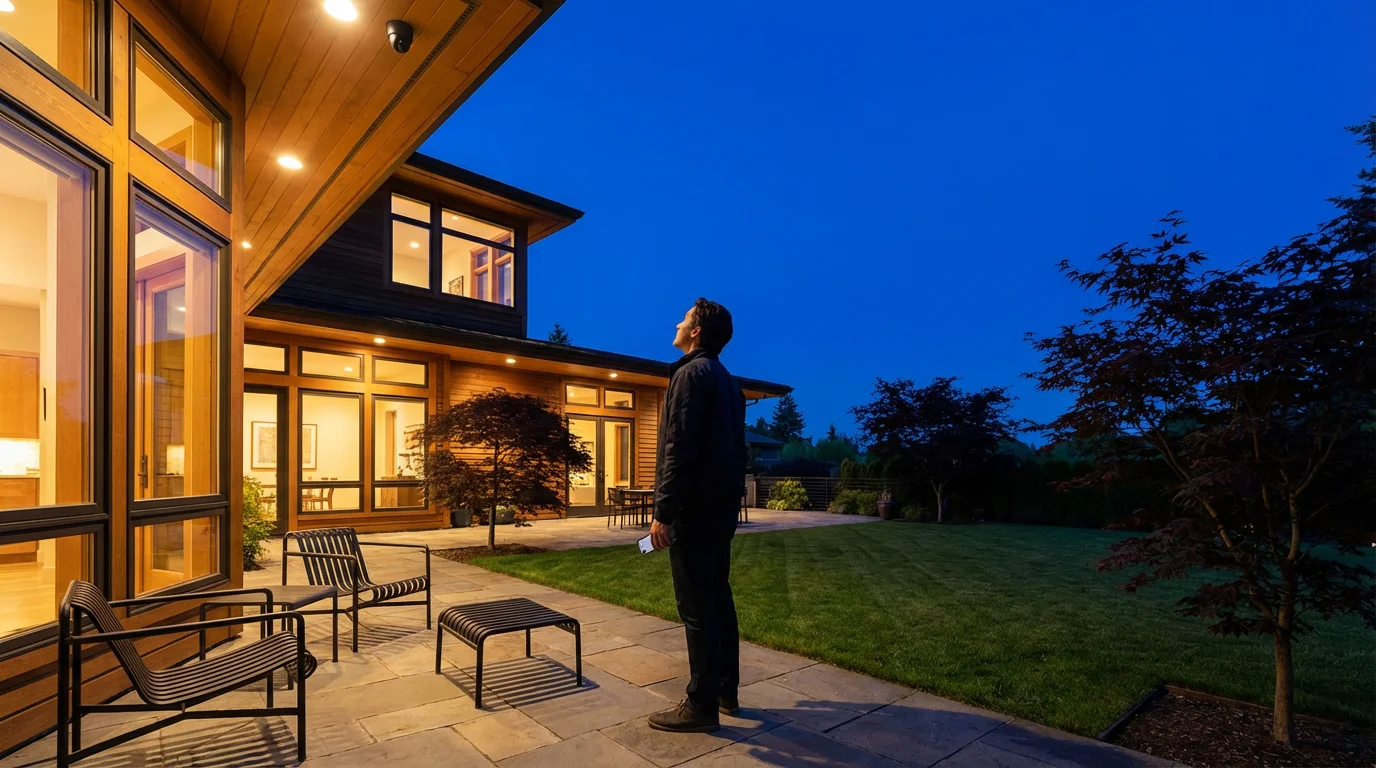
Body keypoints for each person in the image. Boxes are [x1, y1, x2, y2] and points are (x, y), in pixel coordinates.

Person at [646, 298, 747, 733]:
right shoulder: (728, 382)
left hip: (694, 511)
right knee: (718, 599)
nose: (677, 322)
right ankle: (726, 690)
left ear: (697, 332)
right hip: (720, 510)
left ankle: (701, 705)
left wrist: (663, 512)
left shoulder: (690, 375)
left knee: (696, 608)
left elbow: (679, 448)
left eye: (684, 319)